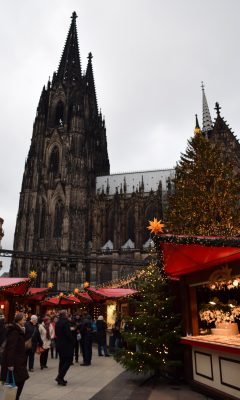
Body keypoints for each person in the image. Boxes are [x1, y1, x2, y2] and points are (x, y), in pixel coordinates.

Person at [0, 312, 29, 400]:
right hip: (15, 363)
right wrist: (10, 365)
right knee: (17, 382)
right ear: (19, 320)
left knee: (19, 381)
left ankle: (15, 397)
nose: (25, 321)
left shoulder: (19, 330)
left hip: (18, 361)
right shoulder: (15, 332)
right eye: (24, 319)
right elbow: (10, 349)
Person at [55, 309, 74, 386]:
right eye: (67, 313)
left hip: (60, 343)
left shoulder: (58, 322)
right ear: (65, 315)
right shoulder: (66, 322)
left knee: (62, 361)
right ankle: (59, 377)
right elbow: (67, 334)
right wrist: (73, 340)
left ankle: (61, 378)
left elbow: (57, 333)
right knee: (69, 360)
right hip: (66, 345)